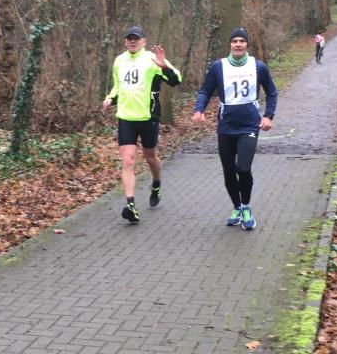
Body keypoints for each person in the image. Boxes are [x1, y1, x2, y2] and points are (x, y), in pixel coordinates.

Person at [192, 28, 278, 231]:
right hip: (226, 126)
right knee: (229, 171)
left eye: (242, 41)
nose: (238, 44)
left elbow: (272, 92)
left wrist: (268, 115)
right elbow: (205, 91)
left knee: (243, 168)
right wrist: (199, 109)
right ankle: (236, 207)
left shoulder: (258, 67)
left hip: (249, 125)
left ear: (247, 44)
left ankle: (246, 207)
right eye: (234, 41)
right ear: (230, 44)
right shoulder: (218, 67)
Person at [103, 26, 182, 223]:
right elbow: (118, 87)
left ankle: (156, 182)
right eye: (129, 38)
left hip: (148, 118)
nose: (133, 41)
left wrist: (164, 66)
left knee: (150, 157)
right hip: (126, 118)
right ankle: (130, 205)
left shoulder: (152, 59)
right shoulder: (119, 61)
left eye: (136, 39)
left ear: (144, 42)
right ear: (125, 41)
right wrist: (110, 99)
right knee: (128, 160)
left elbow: (176, 80)